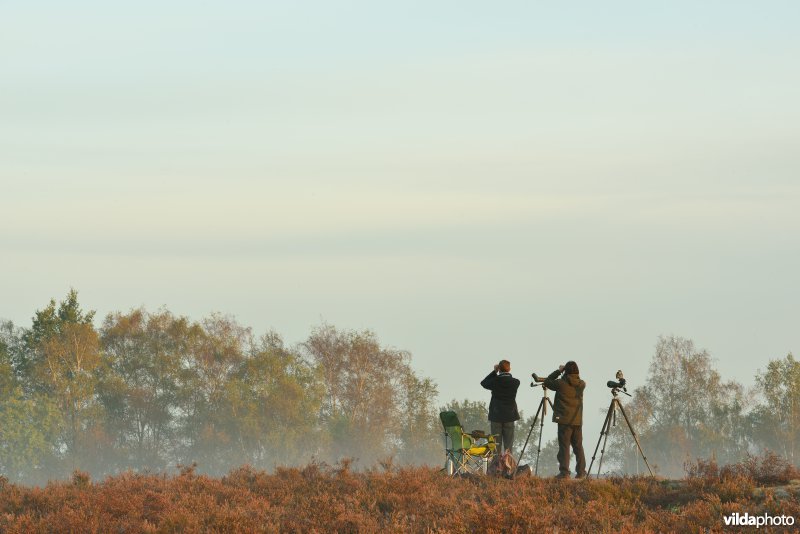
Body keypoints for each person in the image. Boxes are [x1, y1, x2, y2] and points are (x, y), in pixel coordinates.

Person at [544, 361, 587, 479]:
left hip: (564, 421)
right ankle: (581, 472)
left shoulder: (561, 383)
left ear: (566, 371)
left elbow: (547, 381)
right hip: (577, 421)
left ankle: (564, 472)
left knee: (564, 447)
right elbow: (576, 380)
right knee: (578, 447)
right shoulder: (582, 384)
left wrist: (559, 371)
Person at [480, 360, 520, 455]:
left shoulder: (495, 381)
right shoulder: (515, 382)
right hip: (510, 416)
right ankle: (508, 467)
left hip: (496, 416)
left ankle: (497, 467)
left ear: (499, 369)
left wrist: (494, 372)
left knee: (496, 445)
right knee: (508, 446)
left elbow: (483, 383)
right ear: (509, 369)